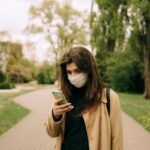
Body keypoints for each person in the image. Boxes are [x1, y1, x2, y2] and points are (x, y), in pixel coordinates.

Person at [44, 45, 124, 150]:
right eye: (69, 72)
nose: (73, 76)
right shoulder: (64, 94)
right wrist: (55, 115)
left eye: (77, 71)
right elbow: (52, 133)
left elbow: (117, 139)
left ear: (89, 69)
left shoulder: (108, 97)